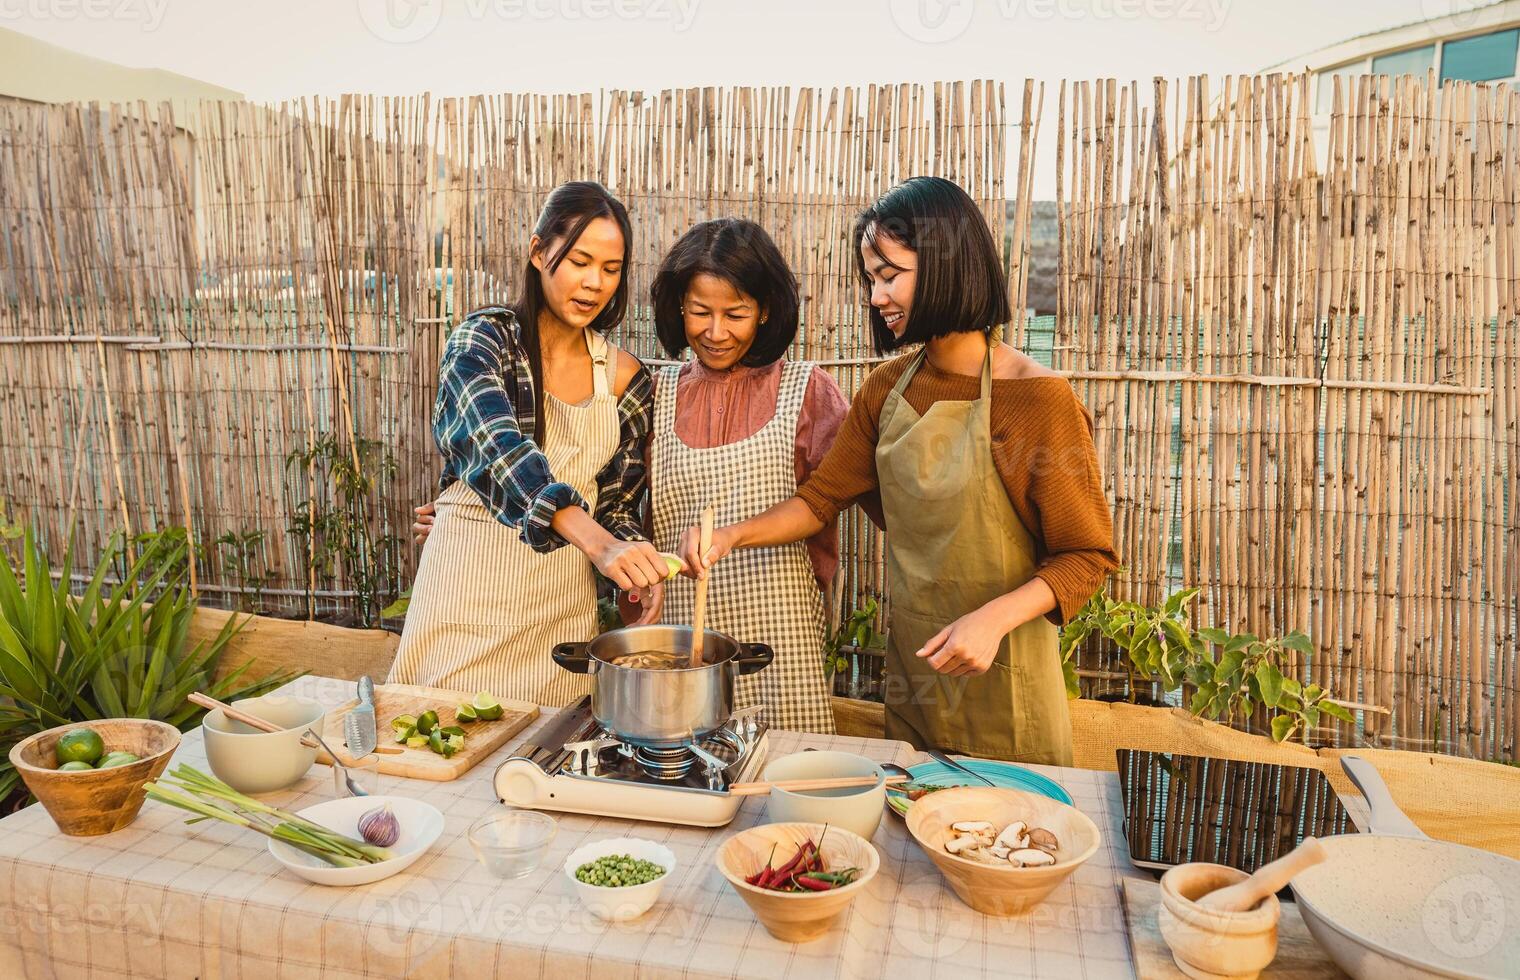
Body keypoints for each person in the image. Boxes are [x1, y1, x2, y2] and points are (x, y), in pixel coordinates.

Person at [679, 176, 1120, 764]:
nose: (875, 297)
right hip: (915, 676)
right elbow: (819, 499)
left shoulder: (1038, 400)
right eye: (870, 280)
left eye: (889, 276)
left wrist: (991, 620)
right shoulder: (886, 390)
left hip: (1007, 681)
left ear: (944, 264)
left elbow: (1086, 556)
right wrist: (730, 536)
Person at [389, 181, 669, 705]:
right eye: (580, 261)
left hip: (558, 614)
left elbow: (618, 505)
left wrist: (630, 570)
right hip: (464, 603)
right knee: (434, 748)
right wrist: (600, 544)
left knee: (544, 769)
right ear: (539, 252)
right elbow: (496, 447)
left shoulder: (628, 379)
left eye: (611, 269)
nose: (594, 283)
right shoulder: (483, 341)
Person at [642, 218, 849, 732]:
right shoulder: (654, 394)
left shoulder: (809, 391)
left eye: (735, 313)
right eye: (699, 312)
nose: (715, 332)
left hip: (780, 642)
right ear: (678, 308)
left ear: (765, 311)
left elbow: (835, 497)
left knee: (785, 788)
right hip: (680, 638)